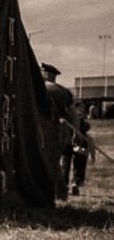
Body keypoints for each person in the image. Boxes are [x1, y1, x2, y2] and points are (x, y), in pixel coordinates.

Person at [41, 63, 78, 199]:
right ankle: (58, 192)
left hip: (47, 127)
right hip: (64, 128)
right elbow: (74, 115)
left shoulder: (40, 88)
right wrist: (75, 132)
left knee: (49, 160)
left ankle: (60, 193)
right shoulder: (65, 91)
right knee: (57, 160)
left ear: (45, 74)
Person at [71, 115, 96, 196]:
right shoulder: (87, 137)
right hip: (83, 152)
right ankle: (75, 183)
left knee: (76, 167)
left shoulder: (74, 137)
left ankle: (74, 183)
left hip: (76, 150)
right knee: (79, 169)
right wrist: (93, 156)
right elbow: (92, 147)